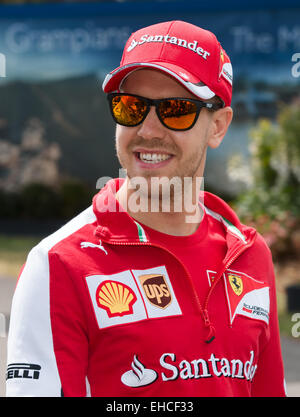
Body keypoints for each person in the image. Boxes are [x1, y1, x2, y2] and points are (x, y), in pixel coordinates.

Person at [6, 20, 286, 397]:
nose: (149, 130)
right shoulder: (57, 266)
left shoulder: (250, 256)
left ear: (218, 126)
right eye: (131, 106)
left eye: (176, 109)